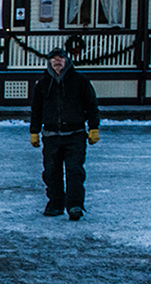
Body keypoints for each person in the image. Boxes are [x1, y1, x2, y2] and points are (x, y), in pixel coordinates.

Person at [29, 47, 100, 220]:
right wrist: (34, 131)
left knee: (74, 171)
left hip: (75, 134)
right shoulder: (42, 84)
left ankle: (75, 205)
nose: (57, 61)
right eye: (53, 59)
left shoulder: (80, 81)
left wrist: (93, 127)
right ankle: (55, 204)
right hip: (51, 135)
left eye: (60, 58)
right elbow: (36, 110)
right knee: (51, 172)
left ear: (67, 60)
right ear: (49, 62)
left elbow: (91, 105)